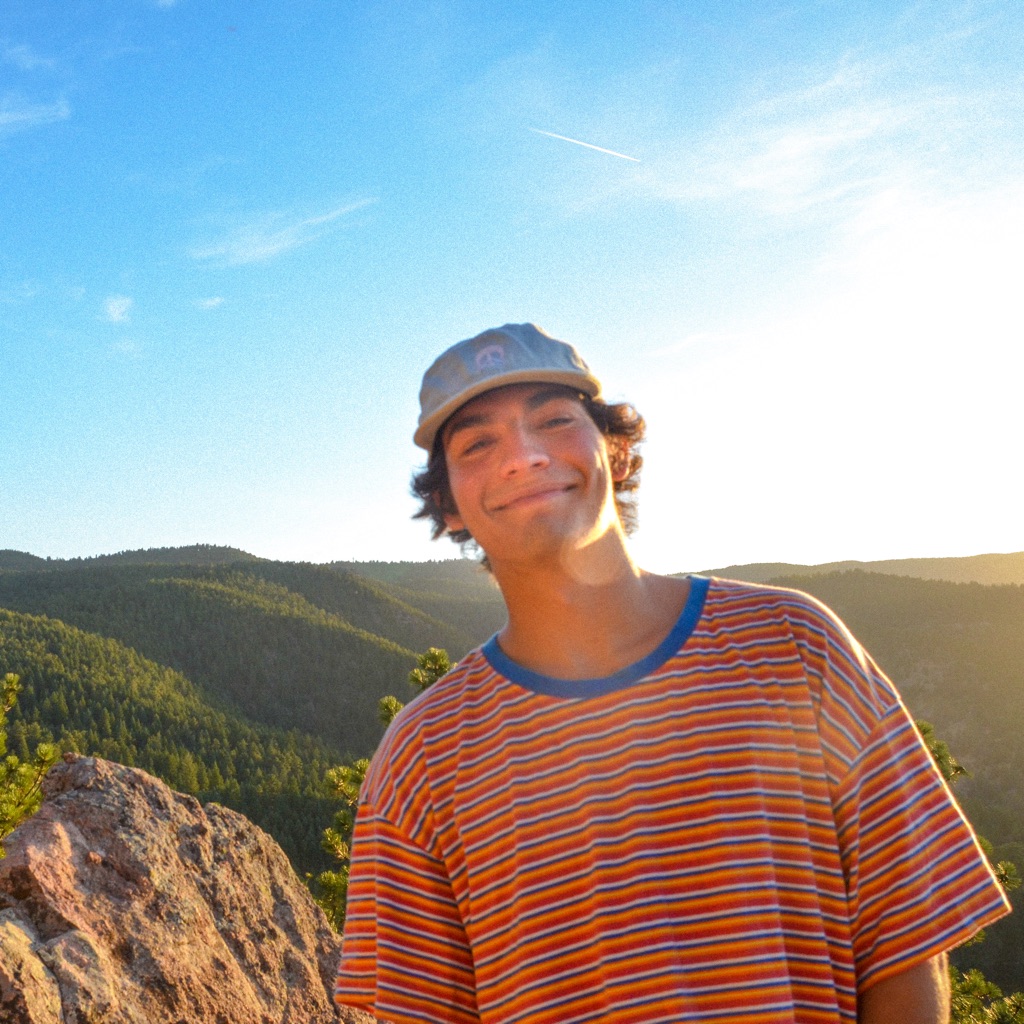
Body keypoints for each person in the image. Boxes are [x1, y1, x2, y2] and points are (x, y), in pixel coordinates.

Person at [335, 323, 1010, 1024]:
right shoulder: (422, 758)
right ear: (447, 504)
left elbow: (904, 948)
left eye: (554, 420)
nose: (524, 456)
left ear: (617, 450)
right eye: (478, 444)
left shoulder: (794, 648)